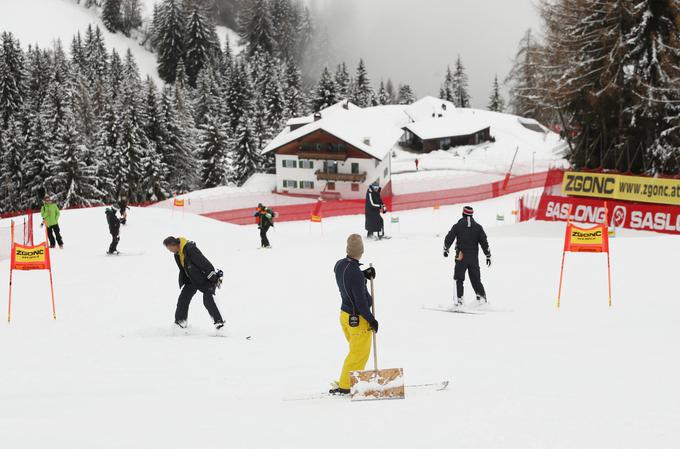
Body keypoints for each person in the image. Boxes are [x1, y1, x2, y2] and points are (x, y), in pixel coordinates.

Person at [330, 234, 379, 396]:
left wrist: (363, 274)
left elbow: (347, 278)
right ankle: (346, 385)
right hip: (358, 319)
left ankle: (347, 380)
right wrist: (371, 320)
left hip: (345, 315)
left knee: (354, 351)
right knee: (358, 354)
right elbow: (360, 303)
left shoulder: (340, 264)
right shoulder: (355, 273)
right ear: (361, 251)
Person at [163, 236, 225, 330]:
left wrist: (213, 278)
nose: (170, 251)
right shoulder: (177, 254)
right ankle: (180, 322)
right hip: (192, 280)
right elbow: (184, 268)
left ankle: (220, 325)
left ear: (174, 245)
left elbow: (204, 263)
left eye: (170, 248)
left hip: (205, 278)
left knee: (208, 301)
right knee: (183, 299)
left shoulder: (190, 249)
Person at [443, 206, 491, 306]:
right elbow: (484, 242)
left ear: (463, 214)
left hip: (461, 257)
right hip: (473, 258)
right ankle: (481, 299)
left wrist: (446, 249)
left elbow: (449, 237)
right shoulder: (478, 227)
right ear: (472, 214)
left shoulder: (457, 226)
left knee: (458, 279)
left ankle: (459, 301)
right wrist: (488, 255)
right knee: (476, 279)